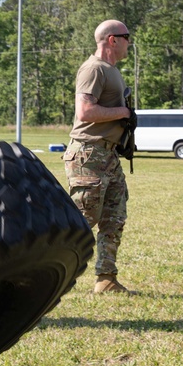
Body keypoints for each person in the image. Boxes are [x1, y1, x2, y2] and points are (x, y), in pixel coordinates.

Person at [63, 19, 134, 295]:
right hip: (88, 153)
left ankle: (106, 278)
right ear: (112, 40)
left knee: (114, 217)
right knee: (82, 219)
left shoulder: (112, 70)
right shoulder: (93, 69)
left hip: (108, 154)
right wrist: (124, 113)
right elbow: (85, 112)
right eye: (127, 36)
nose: (130, 41)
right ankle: (37, 269)